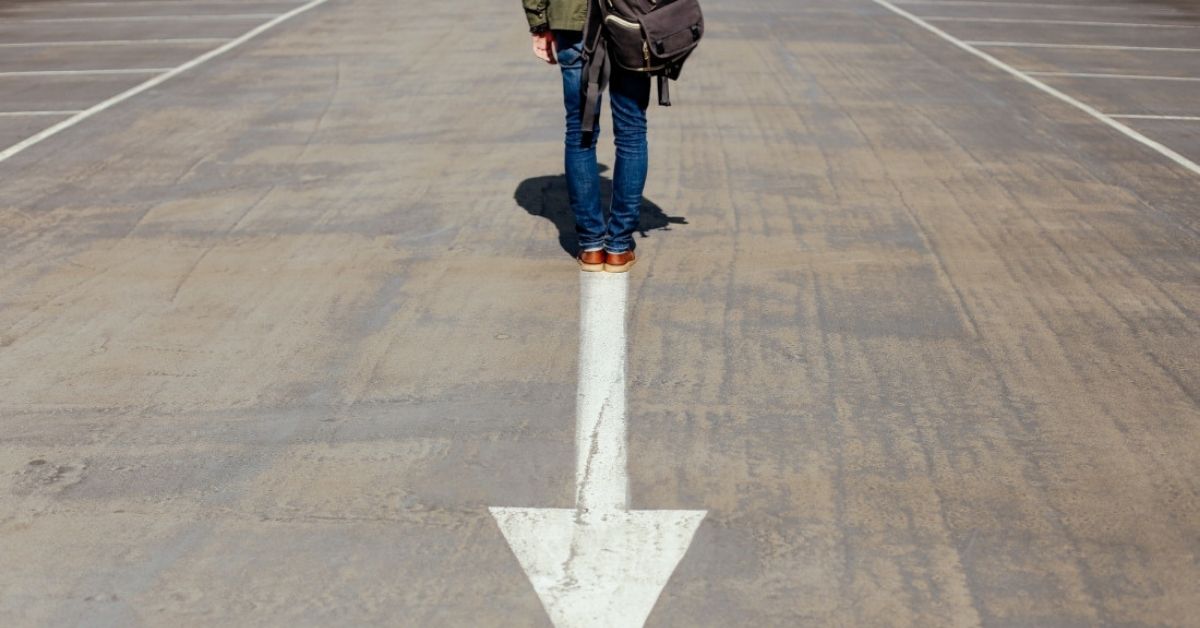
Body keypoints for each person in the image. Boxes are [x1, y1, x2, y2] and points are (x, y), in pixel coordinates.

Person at [523, 0, 651, 273]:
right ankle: (619, 247)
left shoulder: (530, 183)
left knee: (581, 130)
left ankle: (592, 245)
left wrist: (539, 24)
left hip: (572, 20)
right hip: (633, 16)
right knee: (632, 130)